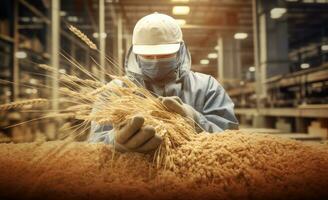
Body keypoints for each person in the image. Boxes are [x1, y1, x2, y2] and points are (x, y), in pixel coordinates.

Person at [89, 12, 239, 153]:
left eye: (164, 54)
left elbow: (232, 137)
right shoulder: (115, 92)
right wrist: (114, 143)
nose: (155, 61)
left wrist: (194, 119)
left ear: (180, 50)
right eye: (148, 56)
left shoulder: (207, 87)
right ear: (136, 54)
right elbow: (94, 145)